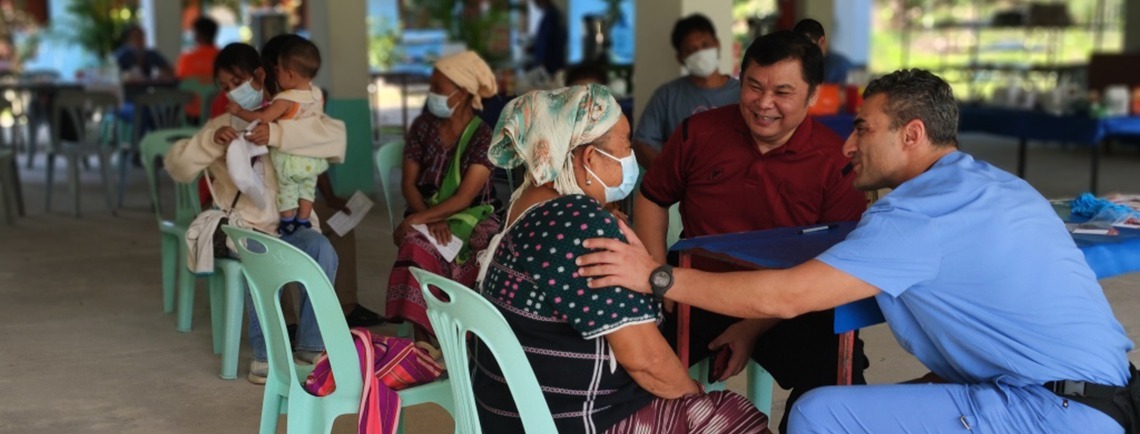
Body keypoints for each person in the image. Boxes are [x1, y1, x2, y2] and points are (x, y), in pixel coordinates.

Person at [579, 69, 1137, 433]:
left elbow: (787, 296)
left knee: (820, 412)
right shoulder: (994, 184)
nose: (848, 144)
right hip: (1107, 394)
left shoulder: (914, 215)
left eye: (863, 130)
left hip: (1054, 411)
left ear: (912, 135)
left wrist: (655, 277)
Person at [473, 84, 769, 434]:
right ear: (590, 159)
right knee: (729, 413)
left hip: (511, 410)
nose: (631, 157)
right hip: (578, 419)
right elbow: (644, 361)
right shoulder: (576, 221)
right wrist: (697, 401)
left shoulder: (526, 205)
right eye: (626, 144)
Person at [634, 30, 868, 433]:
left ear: (813, 96)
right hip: (694, 288)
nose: (764, 104)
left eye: (782, 92)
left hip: (791, 303)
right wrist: (657, 280)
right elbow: (652, 197)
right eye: (754, 87)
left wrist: (751, 325)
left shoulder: (836, 162)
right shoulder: (699, 132)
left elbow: (833, 267)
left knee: (839, 377)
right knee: (621, 360)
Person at [165, 39, 346, 385]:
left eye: (238, 82)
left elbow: (332, 144)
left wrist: (277, 133)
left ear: (260, 75)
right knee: (258, 254)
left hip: (289, 224)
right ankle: (265, 354)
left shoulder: (292, 115)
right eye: (225, 87)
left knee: (322, 250)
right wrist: (210, 142)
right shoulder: (223, 123)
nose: (233, 93)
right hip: (246, 226)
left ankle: (310, 344)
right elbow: (178, 165)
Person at [385, 50, 502, 342]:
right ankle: (425, 341)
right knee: (417, 244)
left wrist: (419, 219)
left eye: (439, 88)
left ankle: (465, 335)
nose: (432, 93)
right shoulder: (423, 127)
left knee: (483, 250)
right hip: (423, 207)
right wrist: (425, 218)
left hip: (474, 216)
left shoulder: (482, 135)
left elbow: (465, 198)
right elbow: (409, 184)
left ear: (461, 93)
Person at [228, 38, 327, 236]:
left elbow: (263, 117)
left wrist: (239, 111)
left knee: (288, 189)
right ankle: (302, 221)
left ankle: (290, 221)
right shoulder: (316, 95)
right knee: (308, 190)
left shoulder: (284, 99)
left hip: (289, 169)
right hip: (311, 162)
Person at [632, 13, 739, 168]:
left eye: (705, 45)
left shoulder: (743, 92)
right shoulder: (667, 95)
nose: (700, 54)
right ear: (680, 58)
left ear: (717, 44)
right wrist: (668, 177)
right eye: (691, 50)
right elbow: (641, 143)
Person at [177, 16, 221, 121]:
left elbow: (180, 81)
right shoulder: (224, 57)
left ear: (198, 34)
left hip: (190, 116)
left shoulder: (186, 58)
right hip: (218, 114)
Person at [793, 18, 854, 85]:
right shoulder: (795, 65)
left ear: (821, 41)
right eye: (799, 48)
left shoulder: (841, 67)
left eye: (808, 47)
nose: (804, 52)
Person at [528, 0, 567, 75]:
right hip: (553, 65)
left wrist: (541, 62)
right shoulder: (552, 15)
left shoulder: (551, 16)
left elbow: (545, 42)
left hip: (550, 67)